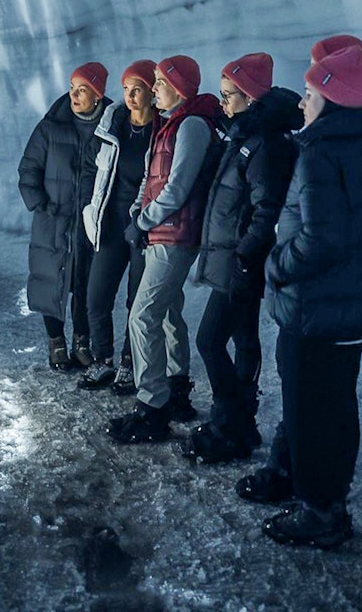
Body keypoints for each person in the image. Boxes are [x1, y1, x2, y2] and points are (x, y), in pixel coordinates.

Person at [259, 37, 362, 549]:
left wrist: (277, 265)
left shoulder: (319, 155)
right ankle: (328, 498)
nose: (301, 106)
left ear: (327, 100)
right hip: (354, 308)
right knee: (335, 404)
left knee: (311, 412)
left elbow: (321, 241)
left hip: (321, 309)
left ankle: (320, 513)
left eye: (308, 97)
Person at [181, 53, 301, 463]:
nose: (223, 101)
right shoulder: (245, 137)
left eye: (230, 94)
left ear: (251, 97)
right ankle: (240, 426)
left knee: (210, 339)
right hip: (235, 258)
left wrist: (245, 254)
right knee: (242, 337)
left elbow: (266, 209)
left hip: (241, 261)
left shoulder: (263, 144)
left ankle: (228, 423)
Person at [106, 55, 225, 444]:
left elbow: (178, 186)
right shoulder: (169, 124)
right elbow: (150, 178)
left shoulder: (190, 125)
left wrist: (142, 220)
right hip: (163, 230)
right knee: (168, 312)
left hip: (175, 234)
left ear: (179, 86)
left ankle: (151, 406)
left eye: (159, 81)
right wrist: (137, 210)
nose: (153, 87)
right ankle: (176, 388)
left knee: (142, 317)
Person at [18, 63, 109, 370]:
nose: (74, 94)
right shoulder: (51, 126)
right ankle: (56, 341)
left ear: (98, 94)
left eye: (82, 89)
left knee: (85, 282)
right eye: (72, 87)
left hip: (89, 223)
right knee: (51, 278)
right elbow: (28, 169)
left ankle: (82, 341)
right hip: (53, 219)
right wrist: (39, 203)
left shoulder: (111, 127)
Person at [78, 60, 158, 393]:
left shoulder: (161, 130)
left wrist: (142, 219)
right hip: (110, 224)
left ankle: (128, 363)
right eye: (126, 88)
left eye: (137, 88)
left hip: (143, 227)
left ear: (153, 93)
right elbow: (96, 171)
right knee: (96, 296)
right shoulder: (115, 124)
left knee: (135, 301)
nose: (130, 95)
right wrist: (91, 210)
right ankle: (102, 360)